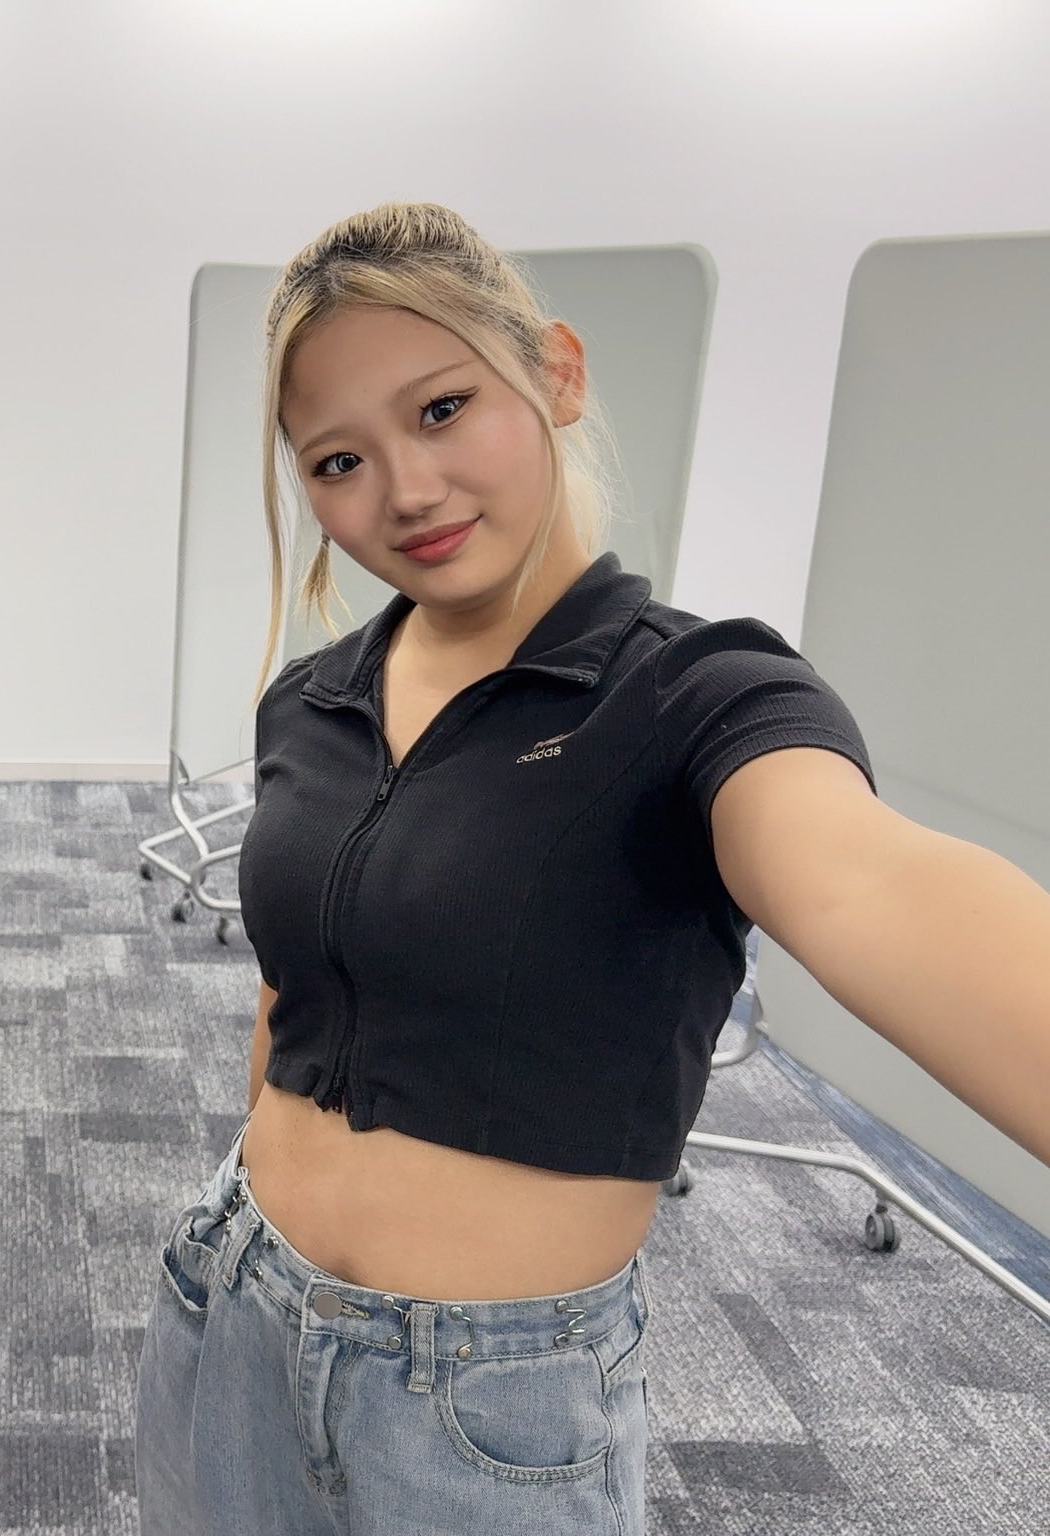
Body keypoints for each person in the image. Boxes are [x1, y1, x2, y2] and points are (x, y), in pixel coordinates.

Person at [133, 202, 1050, 1535]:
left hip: (478, 1408)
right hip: (231, 1305)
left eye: (441, 409)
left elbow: (869, 883)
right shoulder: (312, 701)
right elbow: (293, 1002)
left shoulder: (693, 697)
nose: (405, 490)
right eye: (338, 460)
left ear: (555, 373)